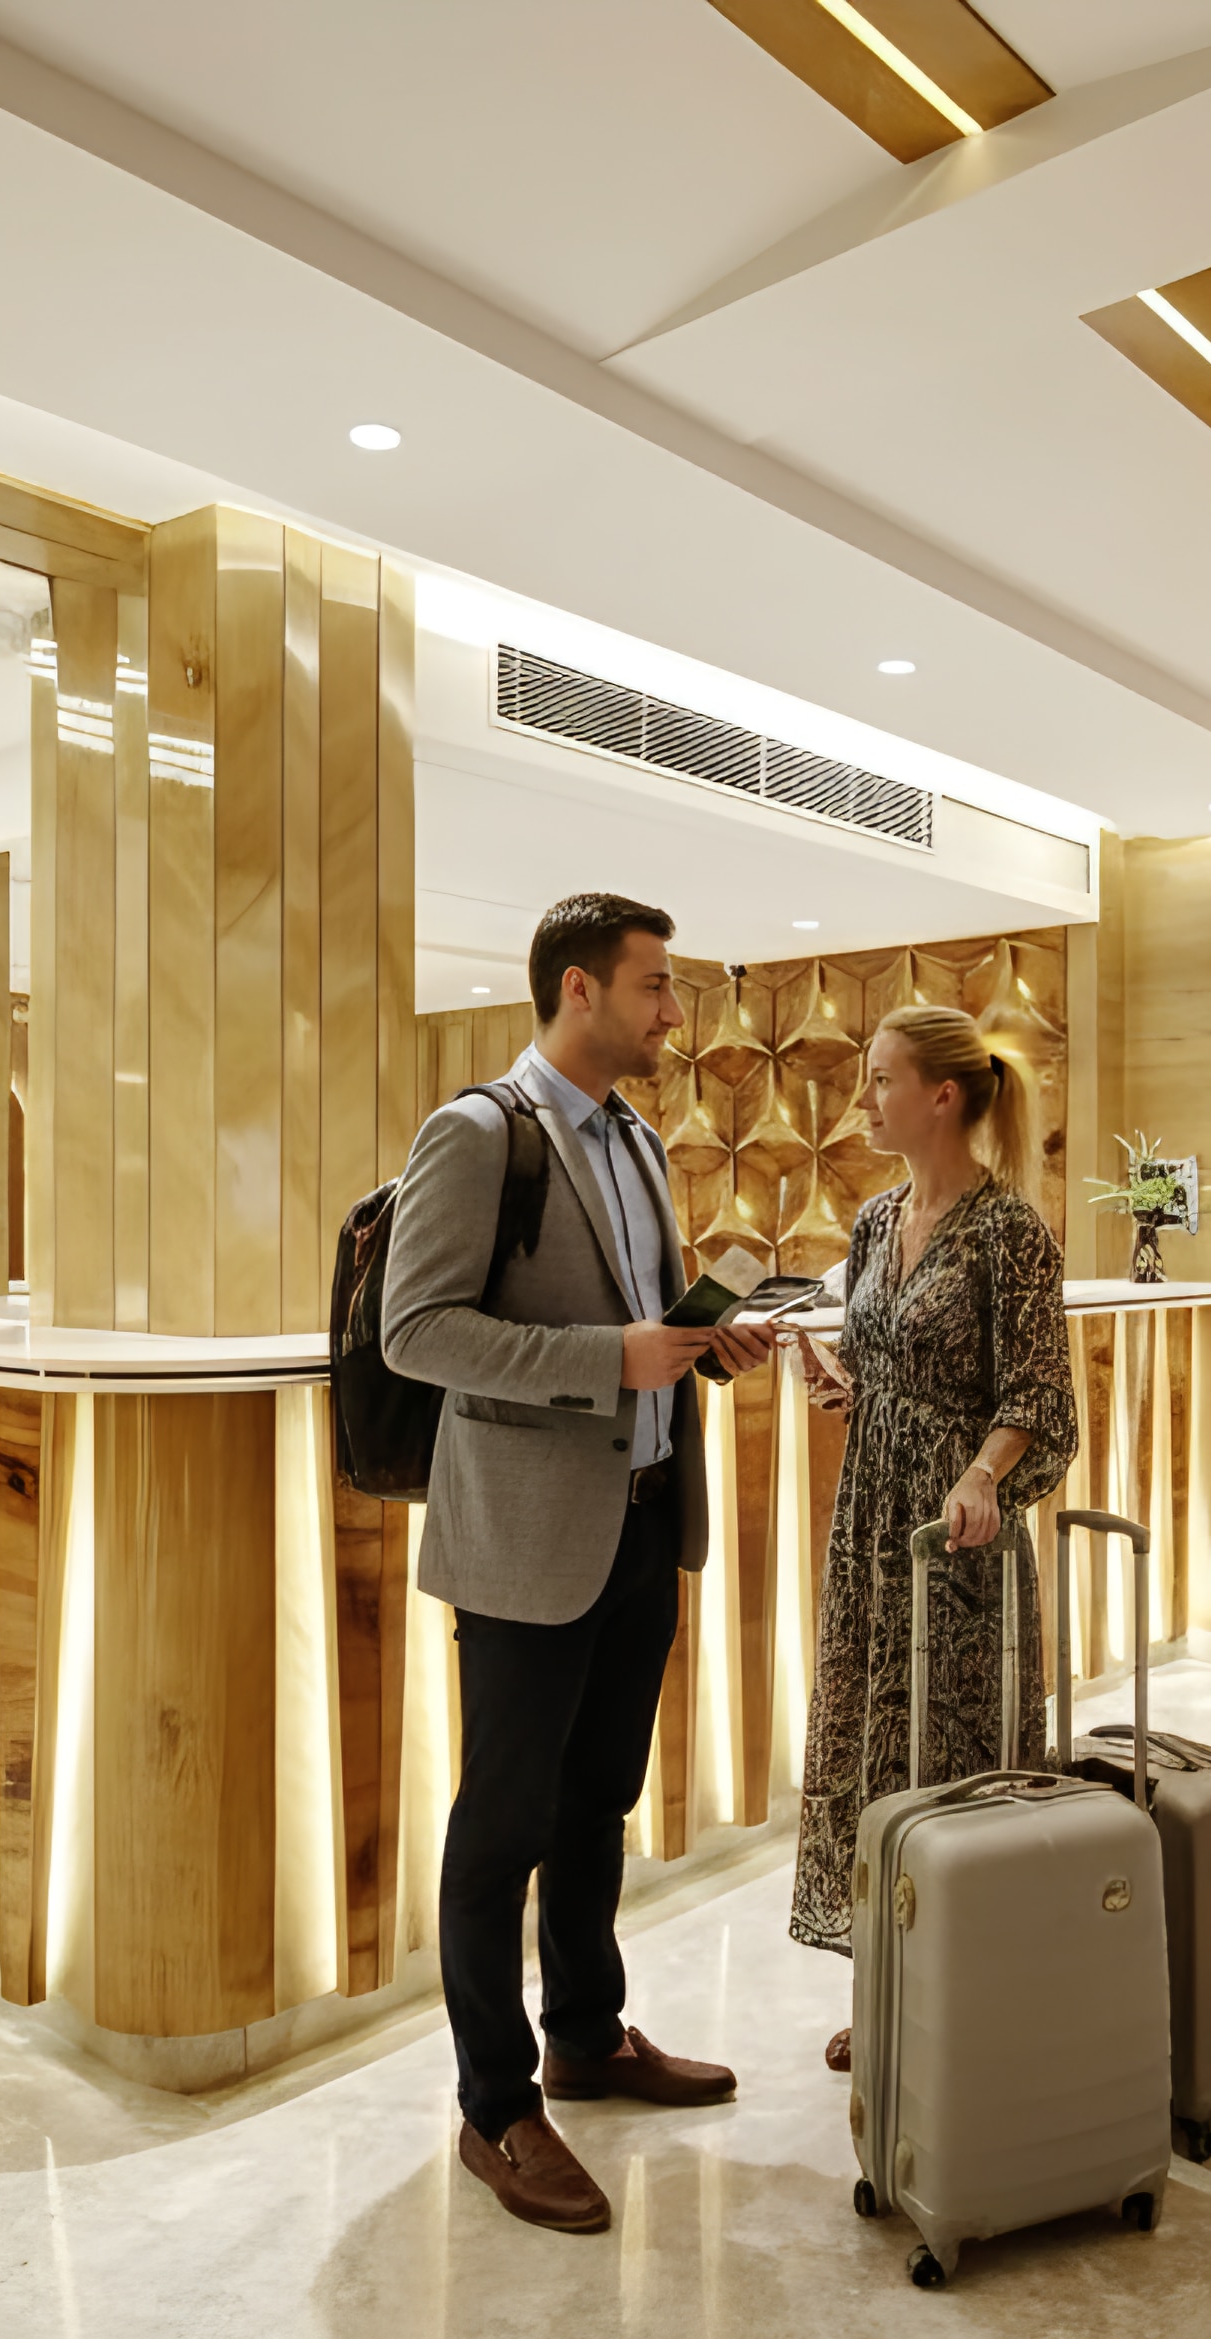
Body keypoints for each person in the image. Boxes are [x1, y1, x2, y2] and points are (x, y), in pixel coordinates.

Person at [380, 891, 779, 2235]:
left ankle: (588, 2037)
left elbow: (642, 1323)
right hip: (527, 1542)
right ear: (579, 990)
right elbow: (418, 1331)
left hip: (644, 1521)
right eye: (656, 985)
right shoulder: (479, 1132)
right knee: (503, 1825)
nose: (676, 1011)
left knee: (599, 1799)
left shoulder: (641, 1141)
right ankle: (496, 2103)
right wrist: (609, 1359)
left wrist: (703, 1343)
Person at [784, 1004, 1078, 2068]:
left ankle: (975, 1994)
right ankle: (888, 1987)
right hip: (871, 1528)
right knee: (871, 1744)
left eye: (880, 1079)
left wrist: (982, 1473)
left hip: (958, 1544)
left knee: (955, 1756)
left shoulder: (1010, 1233)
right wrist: (843, 1384)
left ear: (942, 1096)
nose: (862, 1099)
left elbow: (1039, 1393)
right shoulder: (873, 1222)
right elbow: (887, 1367)